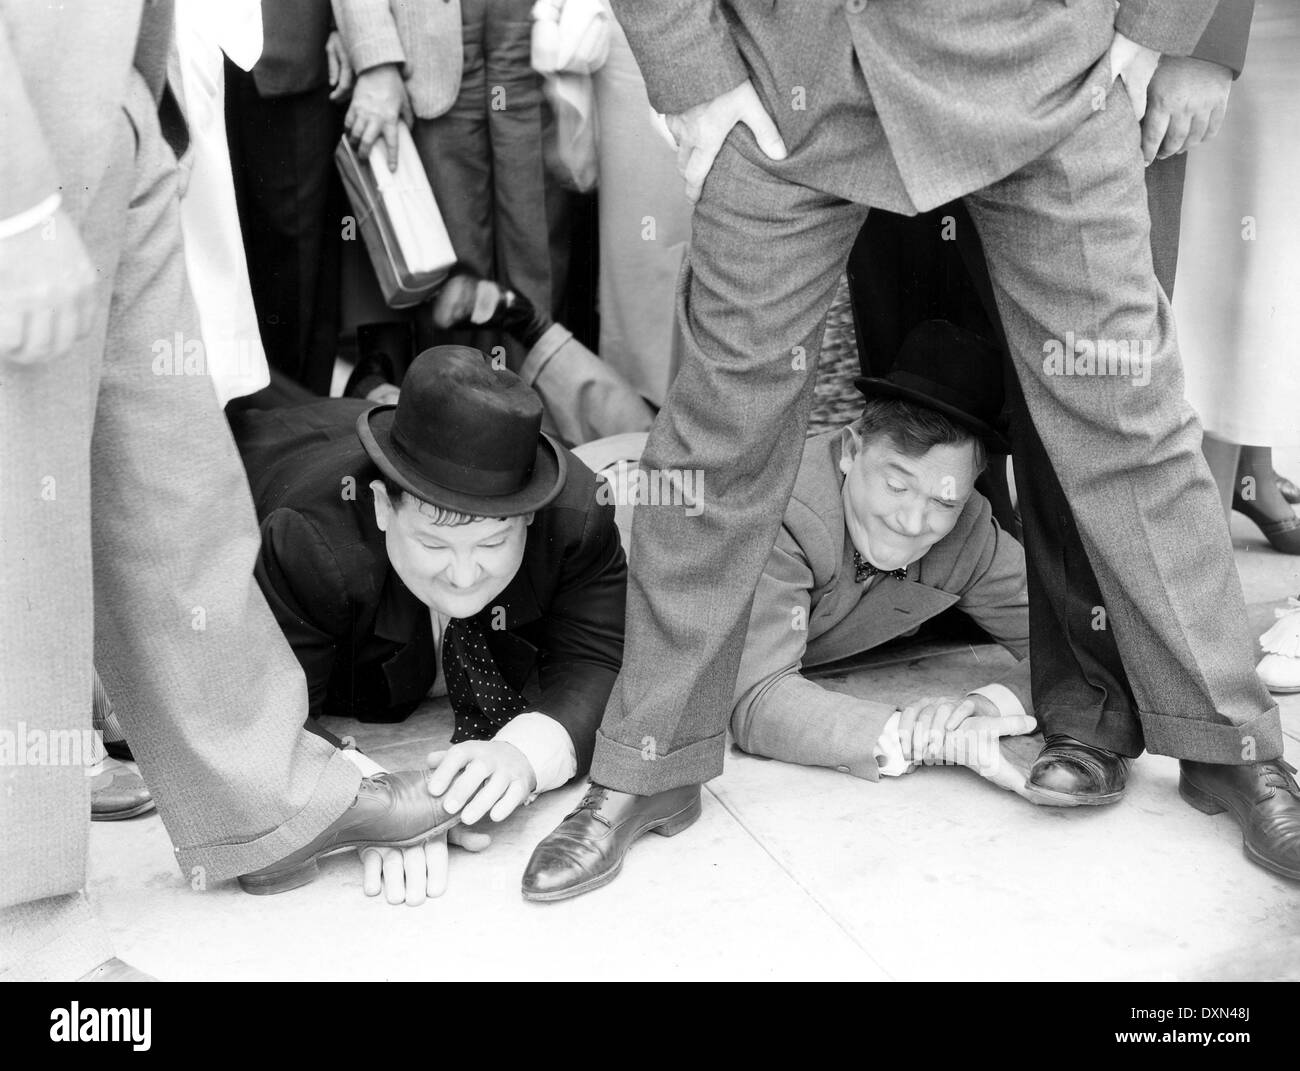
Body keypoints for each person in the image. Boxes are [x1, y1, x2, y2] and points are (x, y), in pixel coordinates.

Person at [523, 0, 1300, 901]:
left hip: (1042, 65)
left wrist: (1149, 28)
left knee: (1134, 425)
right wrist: (693, 73)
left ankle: (1227, 743)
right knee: (712, 437)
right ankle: (649, 761)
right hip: (792, 77)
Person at [0, 0, 456, 980]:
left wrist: (133, 89)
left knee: (171, 473)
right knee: (18, 522)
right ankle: (19, 910)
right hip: (21, 121)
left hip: (115, 90)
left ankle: (259, 795)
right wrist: (14, 198)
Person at [229, 346, 627, 887]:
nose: (464, 576)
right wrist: (379, 807)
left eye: (491, 542)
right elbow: (265, 713)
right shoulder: (307, 541)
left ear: (530, 515)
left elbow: (598, 660)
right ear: (380, 505)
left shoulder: (577, 514)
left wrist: (524, 755)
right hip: (266, 447)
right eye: (434, 543)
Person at [727, 322, 1036, 795]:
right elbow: (756, 697)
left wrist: (991, 704)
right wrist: (921, 739)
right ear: (851, 449)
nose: (913, 522)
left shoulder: (971, 529)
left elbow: (1071, 650)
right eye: (897, 485)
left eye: (945, 501)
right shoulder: (777, 510)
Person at [1174, 0, 1300, 554]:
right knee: (1232, 251)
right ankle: (1205, 525)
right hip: (1243, 21)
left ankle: (1253, 473)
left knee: (1275, 257)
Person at [225, 0, 346, 394]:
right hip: (191, 47)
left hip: (292, 40)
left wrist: (347, 29)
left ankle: (292, 415)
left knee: (294, 253)